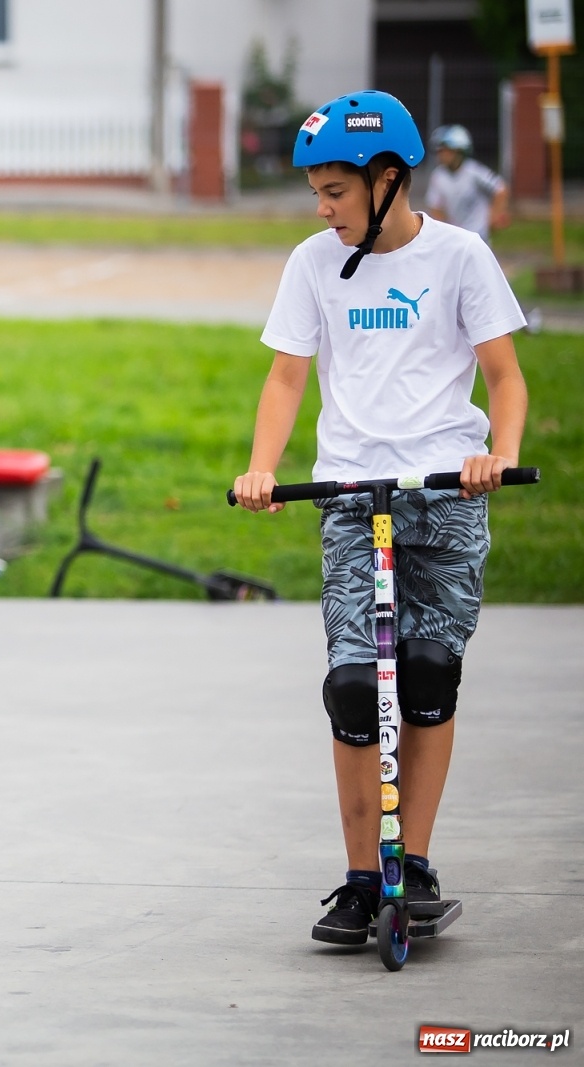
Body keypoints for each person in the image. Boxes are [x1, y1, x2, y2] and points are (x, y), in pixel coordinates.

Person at [233, 91, 528, 946]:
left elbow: (504, 378)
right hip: (352, 497)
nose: (320, 209)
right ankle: (364, 877)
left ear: (389, 180)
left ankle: (418, 864)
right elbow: (288, 375)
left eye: (335, 191)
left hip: (446, 492)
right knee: (355, 685)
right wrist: (262, 466)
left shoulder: (463, 257)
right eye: (317, 193)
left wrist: (496, 455)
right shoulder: (313, 263)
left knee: (430, 672)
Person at [424, 124, 510, 243]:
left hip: (479, 237)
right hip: (457, 238)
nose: (441, 155)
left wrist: (494, 216)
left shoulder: (474, 171)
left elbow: (500, 189)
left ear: (459, 151)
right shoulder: (438, 176)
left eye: (446, 150)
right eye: (440, 151)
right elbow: (435, 207)